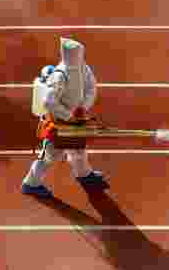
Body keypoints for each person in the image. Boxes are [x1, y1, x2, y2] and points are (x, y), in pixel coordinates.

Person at [21, 37, 110, 198]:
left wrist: (83, 107)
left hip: (76, 119)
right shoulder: (59, 75)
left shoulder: (84, 68)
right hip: (59, 123)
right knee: (50, 155)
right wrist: (68, 116)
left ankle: (84, 174)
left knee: (78, 150)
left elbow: (91, 87)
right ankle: (31, 183)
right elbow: (49, 101)